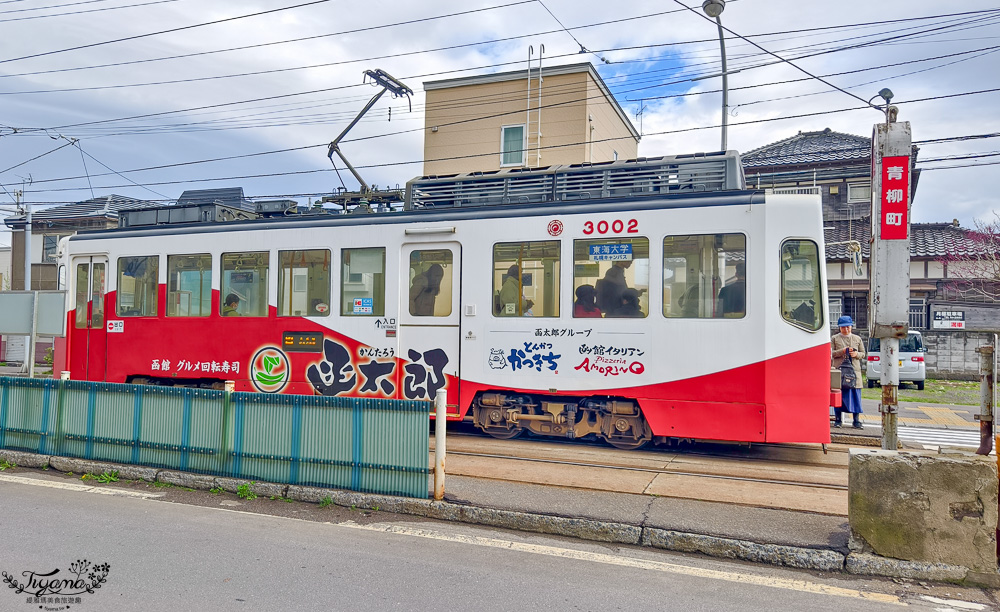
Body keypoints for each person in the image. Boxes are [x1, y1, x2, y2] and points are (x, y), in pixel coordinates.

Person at [831, 315, 866, 428]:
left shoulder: (857, 339)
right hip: (839, 371)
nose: (846, 329)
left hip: (854, 372)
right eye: (843, 327)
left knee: (856, 396)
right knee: (839, 395)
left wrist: (856, 354)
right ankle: (838, 420)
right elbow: (831, 353)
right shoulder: (834, 338)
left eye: (848, 327)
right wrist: (843, 351)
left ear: (851, 326)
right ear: (839, 328)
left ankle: (856, 420)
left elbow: (863, 354)